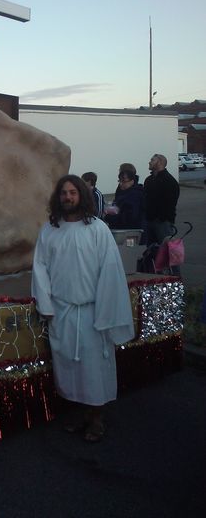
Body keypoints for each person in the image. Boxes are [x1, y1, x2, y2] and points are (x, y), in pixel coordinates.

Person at [31, 175, 134, 442]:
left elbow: (110, 272)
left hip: (92, 313)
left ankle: (97, 420)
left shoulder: (97, 229)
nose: (68, 197)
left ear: (82, 196)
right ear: (58, 197)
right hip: (62, 312)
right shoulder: (49, 230)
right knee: (70, 370)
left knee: (93, 369)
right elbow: (40, 269)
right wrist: (46, 305)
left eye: (73, 192)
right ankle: (83, 416)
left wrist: (106, 312)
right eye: (64, 193)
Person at [144, 154, 180, 246]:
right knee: (151, 250)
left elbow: (170, 203)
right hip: (149, 220)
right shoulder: (149, 180)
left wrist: (162, 218)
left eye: (152, 160)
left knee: (165, 250)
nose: (149, 162)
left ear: (159, 162)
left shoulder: (169, 181)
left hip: (163, 223)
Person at [105, 169, 147, 241]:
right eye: (119, 181)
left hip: (131, 233)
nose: (121, 183)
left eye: (123, 181)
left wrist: (110, 217)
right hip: (127, 231)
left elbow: (131, 217)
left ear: (132, 181)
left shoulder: (135, 195)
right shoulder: (125, 193)